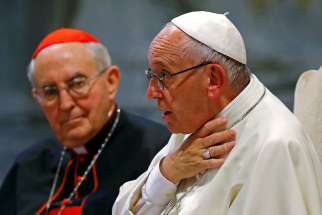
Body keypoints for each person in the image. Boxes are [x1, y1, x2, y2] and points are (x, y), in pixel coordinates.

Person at [0, 27, 234, 215]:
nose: (65, 104)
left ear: (111, 82)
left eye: (78, 84)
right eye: (50, 91)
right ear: (37, 98)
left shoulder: (159, 150)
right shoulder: (28, 165)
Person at [113, 11, 322, 215]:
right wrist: (167, 173)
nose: (151, 92)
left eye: (164, 75)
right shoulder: (197, 120)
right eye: (151, 75)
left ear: (213, 79)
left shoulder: (275, 146)